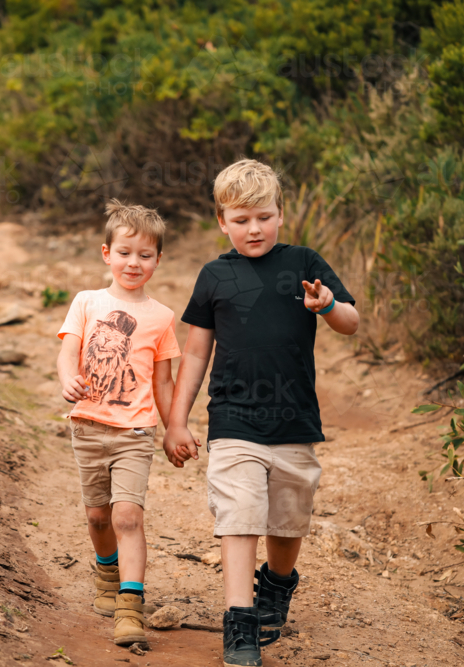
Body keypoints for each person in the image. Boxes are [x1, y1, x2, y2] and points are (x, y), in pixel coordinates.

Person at [162, 159, 360, 667]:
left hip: (294, 420)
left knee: (288, 522)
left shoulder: (305, 263)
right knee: (240, 514)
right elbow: (197, 355)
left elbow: (351, 323)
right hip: (233, 420)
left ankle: (277, 582)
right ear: (222, 222)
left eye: (265, 217)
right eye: (242, 219)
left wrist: (328, 305)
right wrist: (178, 421)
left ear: (280, 215)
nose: (255, 228)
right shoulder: (214, 276)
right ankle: (240, 624)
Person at [56, 199, 182, 646]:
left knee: (126, 516)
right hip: (88, 426)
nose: (134, 262)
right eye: (125, 252)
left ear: (157, 261)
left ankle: (131, 606)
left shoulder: (163, 317)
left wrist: (174, 428)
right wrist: (69, 378)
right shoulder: (87, 302)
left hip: (135, 432)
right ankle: (106, 572)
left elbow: (164, 383)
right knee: (97, 517)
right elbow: (69, 351)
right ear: (107, 253)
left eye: (145, 255)